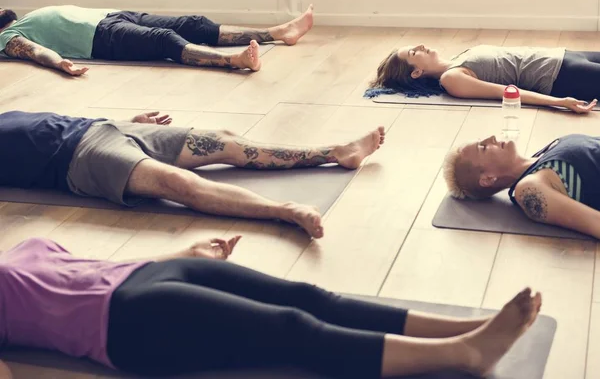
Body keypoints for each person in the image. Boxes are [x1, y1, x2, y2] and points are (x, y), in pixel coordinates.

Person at [0, 236, 542, 378]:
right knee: (291, 328)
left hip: (148, 274)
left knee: (308, 296)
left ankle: (465, 327)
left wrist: (182, 253)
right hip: (123, 324)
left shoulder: (26, 247)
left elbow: (87, 265)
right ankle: (465, 353)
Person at [0, 110, 386, 238]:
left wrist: (129, 120)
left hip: (105, 127)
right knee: (178, 185)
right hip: (81, 158)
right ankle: (284, 210)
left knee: (227, 141)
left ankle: (337, 152)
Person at [0, 4, 315, 74]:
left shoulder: (20, 18)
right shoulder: (7, 37)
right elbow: (33, 51)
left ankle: (278, 33)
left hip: (111, 16)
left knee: (191, 23)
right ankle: (234, 60)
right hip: (100, 38)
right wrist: (60, 64)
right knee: (164, 39)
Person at [443, 134, 600, 239]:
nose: (491, 137)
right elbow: (595, 222)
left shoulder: (543, 154)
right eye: (482, 147)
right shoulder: (529, 188)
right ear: (488, 178)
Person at [368, 44, 600, 114]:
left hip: (565, 55)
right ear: (416, 72)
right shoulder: (452, 79)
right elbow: (508, 92)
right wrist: (559, 102)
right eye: (413, 53)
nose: (420, 46)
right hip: (560, 75)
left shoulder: (458, 57)